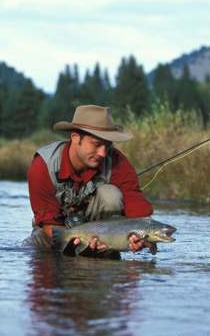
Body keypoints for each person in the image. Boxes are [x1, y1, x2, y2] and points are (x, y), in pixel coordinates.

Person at [21, 105, 154, 258]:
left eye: (107, 145)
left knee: (111, 195)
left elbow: (139, 213)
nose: (103, 153)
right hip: (55, 232)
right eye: (96, 144)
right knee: (26, 252)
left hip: (104, 238)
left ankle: (103, 255)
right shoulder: (42, 167)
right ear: (75, 137)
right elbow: (49, 224)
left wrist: (146, 238)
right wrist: (76, 244)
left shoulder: (118, 163)